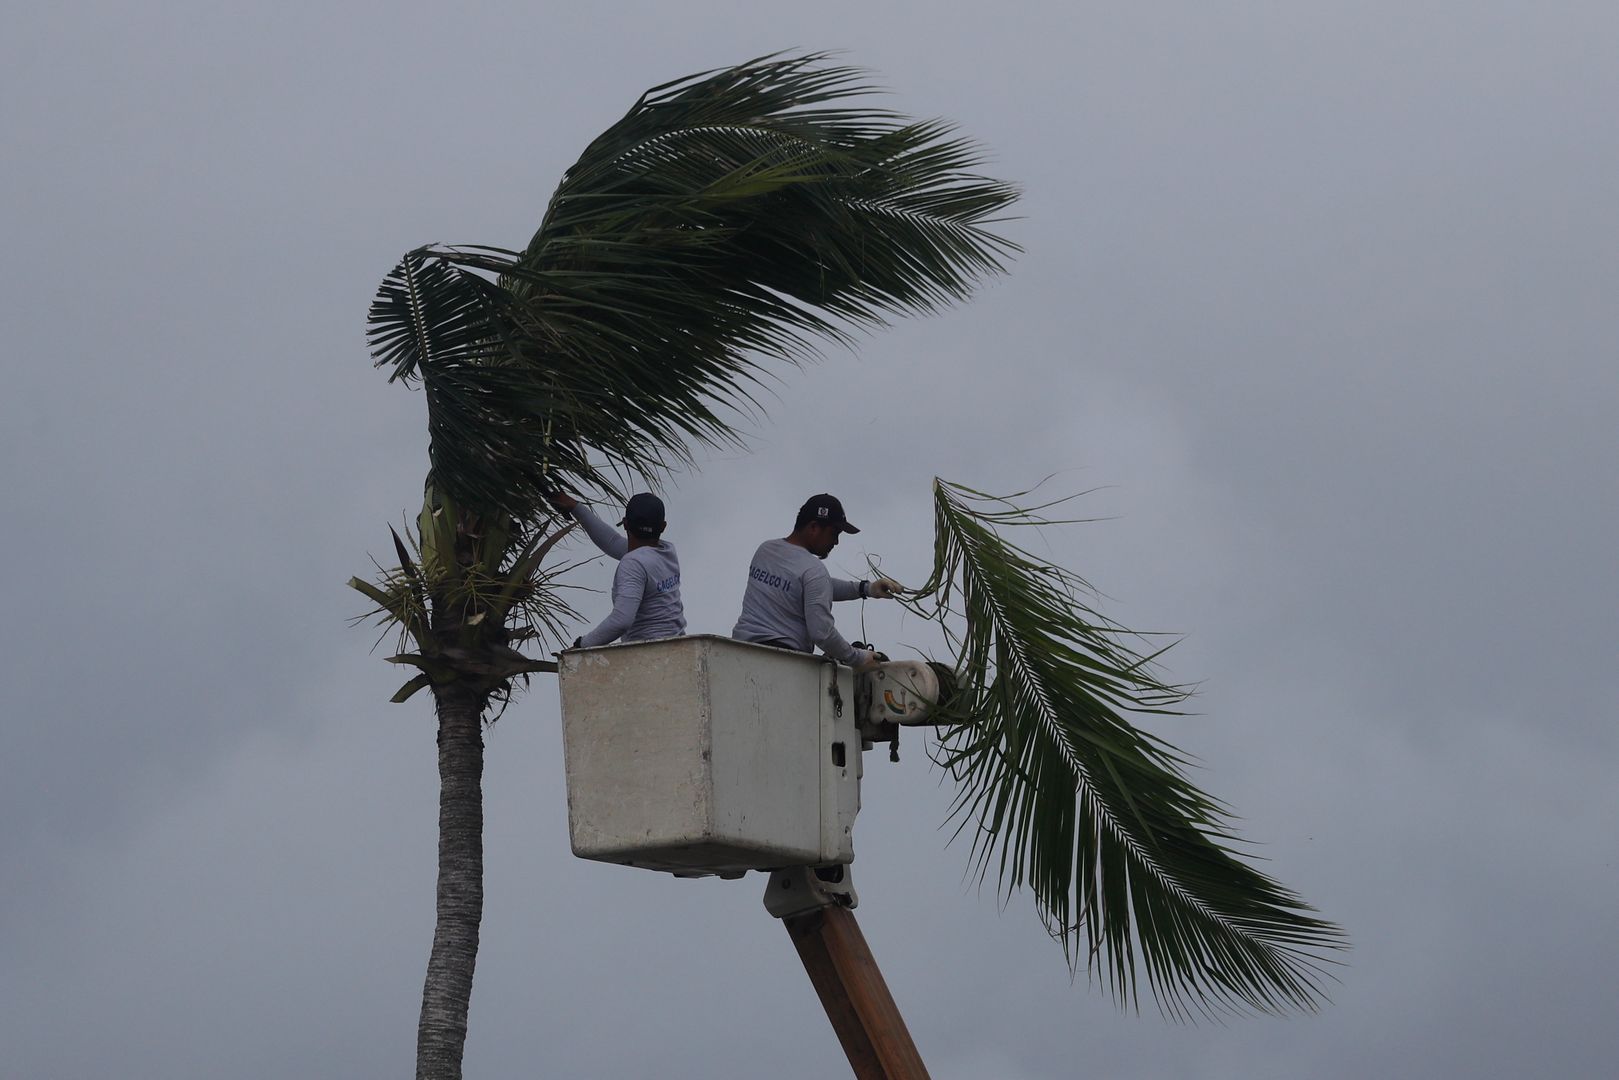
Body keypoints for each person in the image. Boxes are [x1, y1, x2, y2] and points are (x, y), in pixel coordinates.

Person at [731, 493, 904, 668]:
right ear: (814, 527)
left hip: (738, 652)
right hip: (782, 663)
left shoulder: (766, 551)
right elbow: (822, 633)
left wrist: (866, 589)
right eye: (834, 533)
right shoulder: (813, 570)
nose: (836, 541)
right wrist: (858, 657)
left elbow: (809, 587)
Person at [548, 490, 685, 648]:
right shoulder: (666, 551)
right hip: (677, 648)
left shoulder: (633, 563)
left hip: (649, 656)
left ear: (625, 523)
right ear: (663, 526)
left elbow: (621, 621)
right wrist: (575, 507)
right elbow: (612, 541)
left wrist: (581, 645)